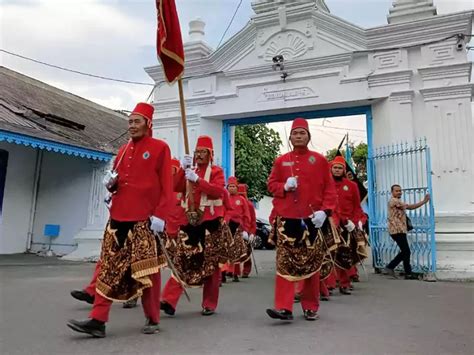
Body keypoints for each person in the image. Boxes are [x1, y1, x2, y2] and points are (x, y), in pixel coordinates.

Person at [67, 102, 173, 337]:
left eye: (137, 121)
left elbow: (167, 187)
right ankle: (98, 320)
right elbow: (117, 181)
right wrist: (110, 187)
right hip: (118, 218)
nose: (132, 126)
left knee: (147, 271)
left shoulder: (160, 148)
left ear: (148, 123)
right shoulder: (123, 150)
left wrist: (161, 215)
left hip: (145, 220)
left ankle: (153, 317)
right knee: (108, 268)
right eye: (130, 122)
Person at [266, 117, 338, 322]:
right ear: (290, 137)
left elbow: (329, 190)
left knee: (311, 264)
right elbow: (271, 185)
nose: (298, 136)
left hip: (312, 219)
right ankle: (284, 308)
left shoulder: (320, 160)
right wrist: (283, 187)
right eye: (295, 133)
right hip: (286, 219)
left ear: (308, 136)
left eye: (302, 133)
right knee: (284, 264)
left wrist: (325, 211)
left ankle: (310, 306)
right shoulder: (281, 161)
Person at [160, 135, 233, 316]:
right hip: (189, 222)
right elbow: (176, 187)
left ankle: (209, 303)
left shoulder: (217, 172)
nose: (199, 155)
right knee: (181, 260)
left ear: (210, 154)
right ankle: (168, 300)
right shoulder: (189, 170)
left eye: (203, 152)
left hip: (210, 223)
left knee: (211, 265)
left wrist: (198, 181)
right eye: (197, 152)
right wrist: (182, 170)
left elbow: (218, 192)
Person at [330, 156, 367, 295]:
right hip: (331, 224)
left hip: (347, 225)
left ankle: (345, 283)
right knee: (329, 255)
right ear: (331, 169)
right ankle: (330, 284)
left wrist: (356, 222)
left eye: (340, 168)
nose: (337, 170)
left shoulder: (352, 186)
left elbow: (357, 207)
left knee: (345, 254)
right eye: (335, 167)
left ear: (344, 170)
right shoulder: (325, 185)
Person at [385, 185, 430, 279]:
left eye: (400, 191)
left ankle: (407, 273)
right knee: (406, 251)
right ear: (392, 192)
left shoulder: (396, 201)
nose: (399, 192)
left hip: (399, 229)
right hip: (396, 230)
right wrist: (423, 201)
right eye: (396, 191)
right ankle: (391, 267)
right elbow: (410, 207)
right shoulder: (394, 201)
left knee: (406, 251)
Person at [224, 177, 251, 282]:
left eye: (233, 186)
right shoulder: (225, 198)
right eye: (229, 186)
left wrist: (246, 229)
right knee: (226, 249)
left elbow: (247, 215)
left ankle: (235, 273)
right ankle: (224, 273)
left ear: (236, 187)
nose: (231, 188)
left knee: (236, 251)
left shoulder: (242, 200)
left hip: (238, 227)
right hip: (227, 226)